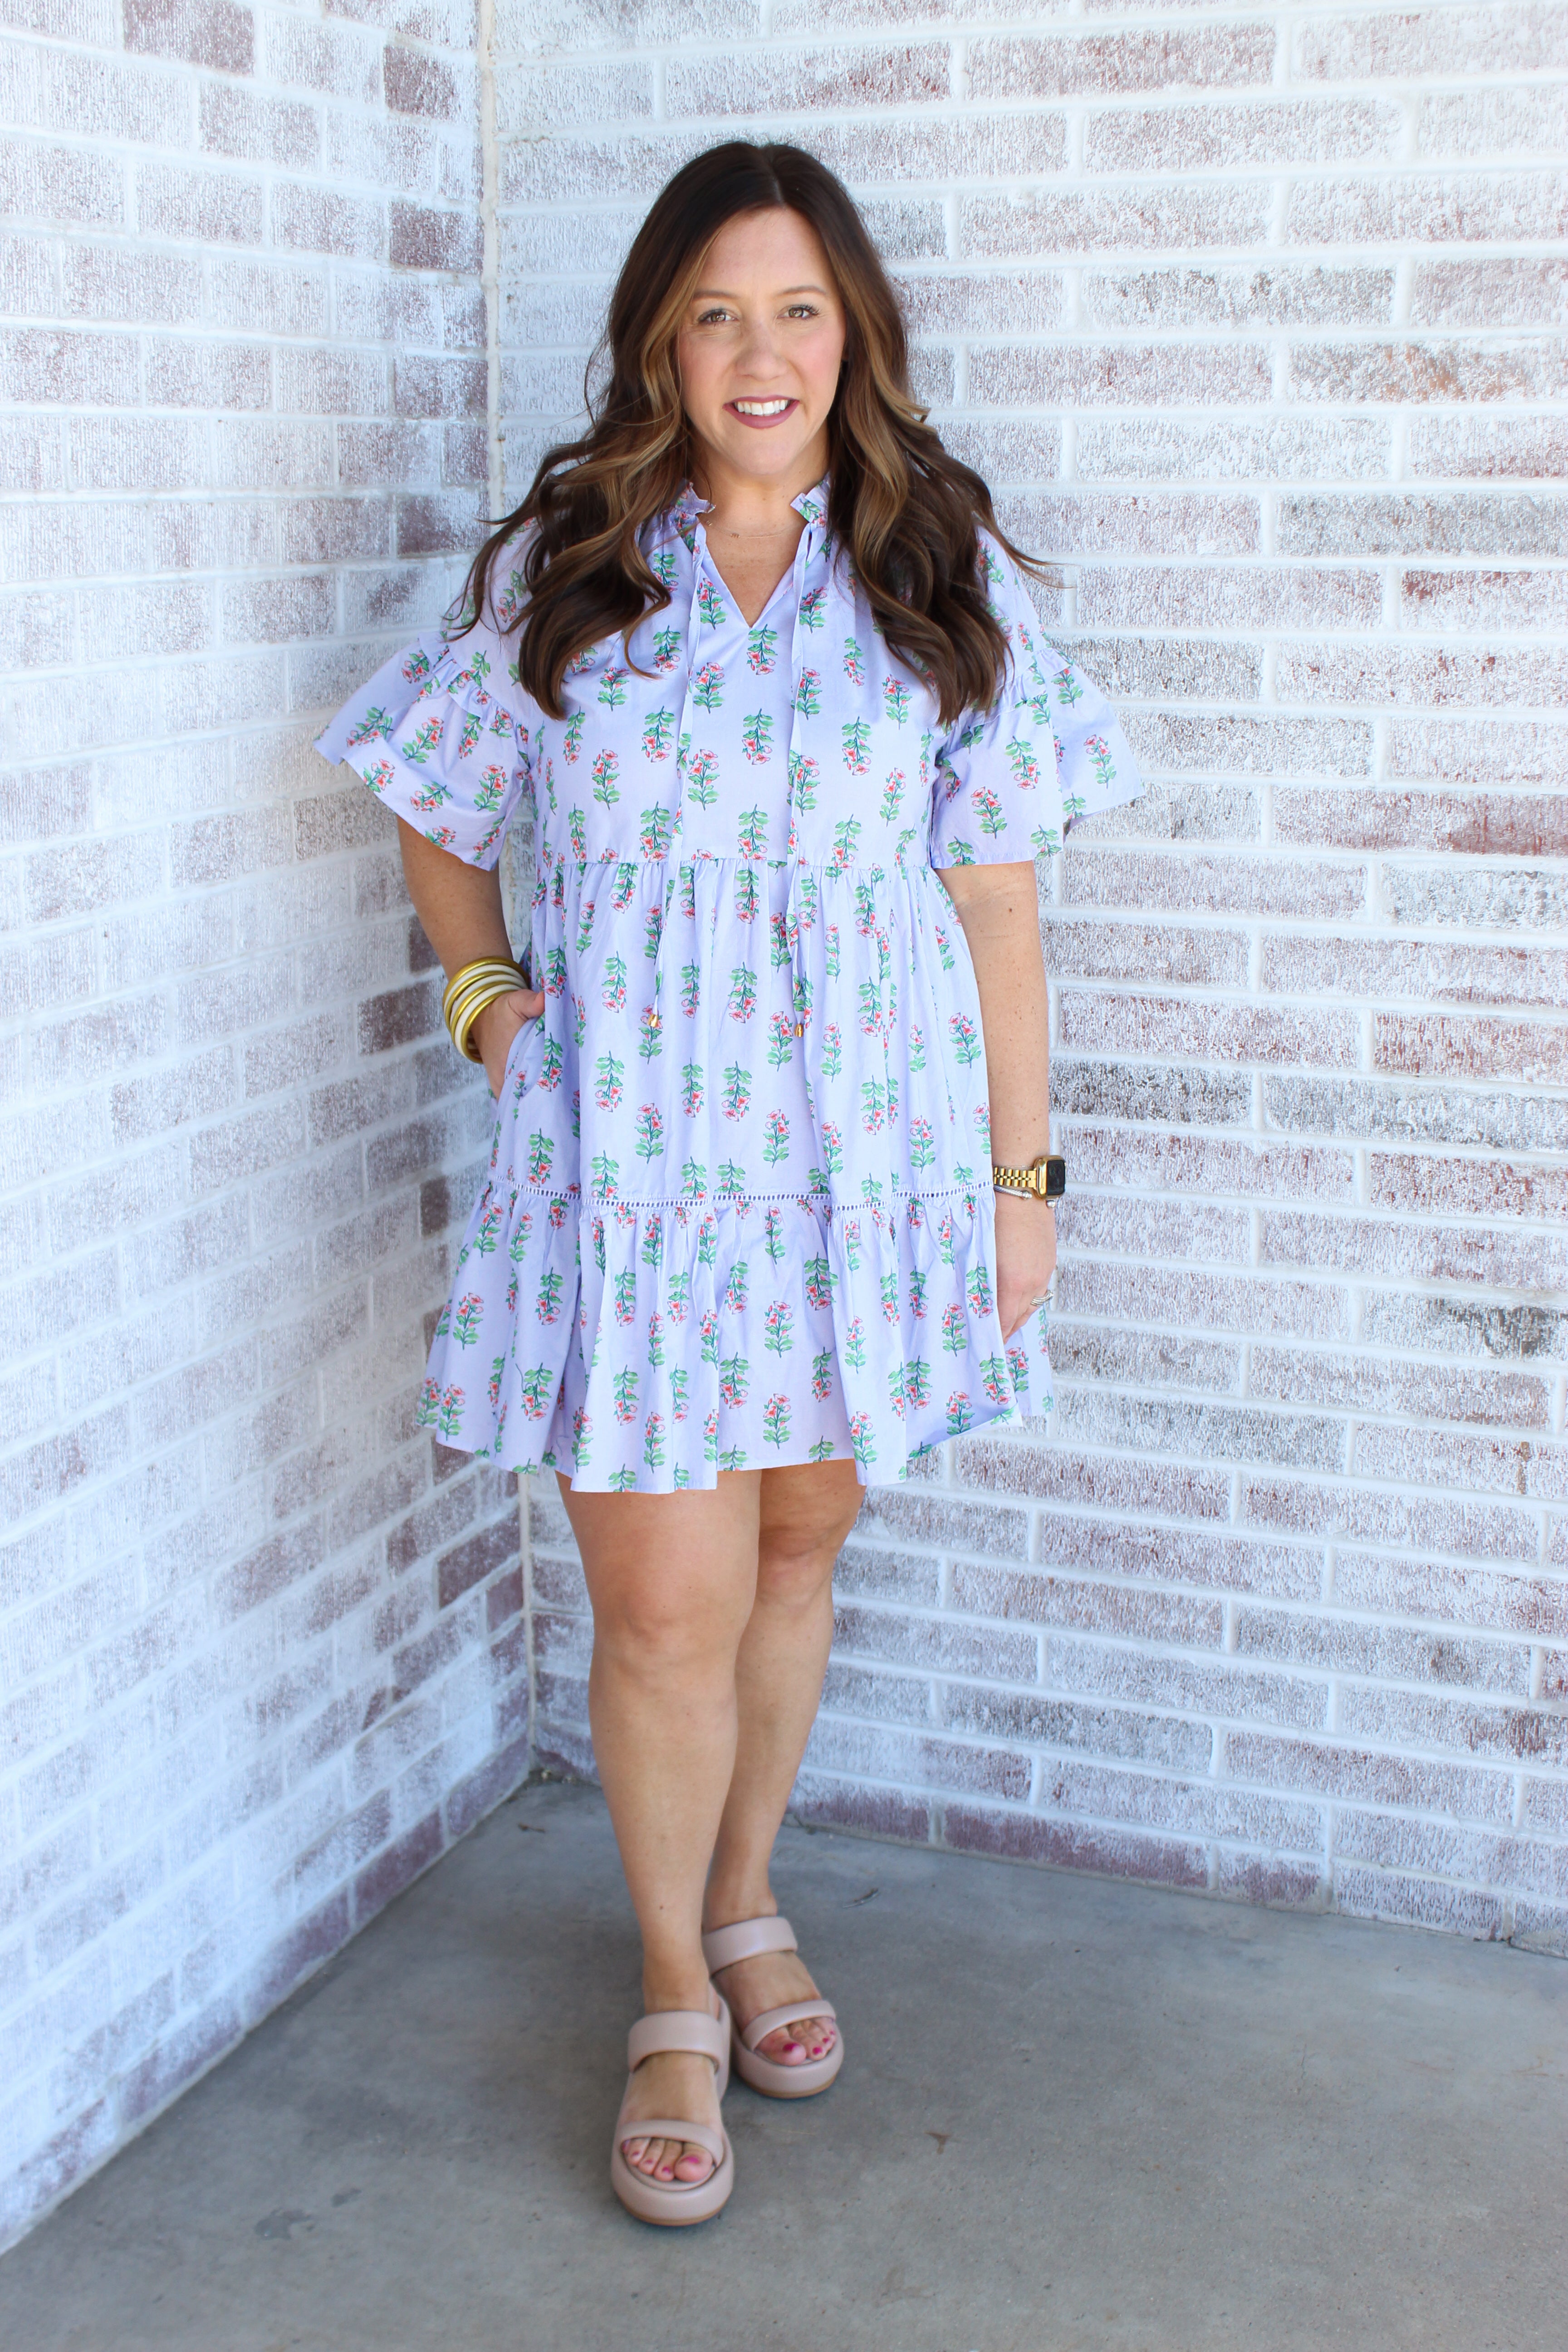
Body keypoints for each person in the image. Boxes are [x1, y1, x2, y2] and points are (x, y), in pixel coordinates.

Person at [317, 141, 1140, 2226]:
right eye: (713, 314)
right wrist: (492, 1009)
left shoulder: (934, 566)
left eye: (795, 310)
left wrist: (1021, 1182)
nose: (758, 353)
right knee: (661, 1604)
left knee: (792, 1551)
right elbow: (436, 802)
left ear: (851, 333)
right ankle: (673, 1987)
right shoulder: (571, 567)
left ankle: (751, 1895)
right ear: (660, 347)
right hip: (634, 1179)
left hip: (870, 1179)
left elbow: (1000, 902)